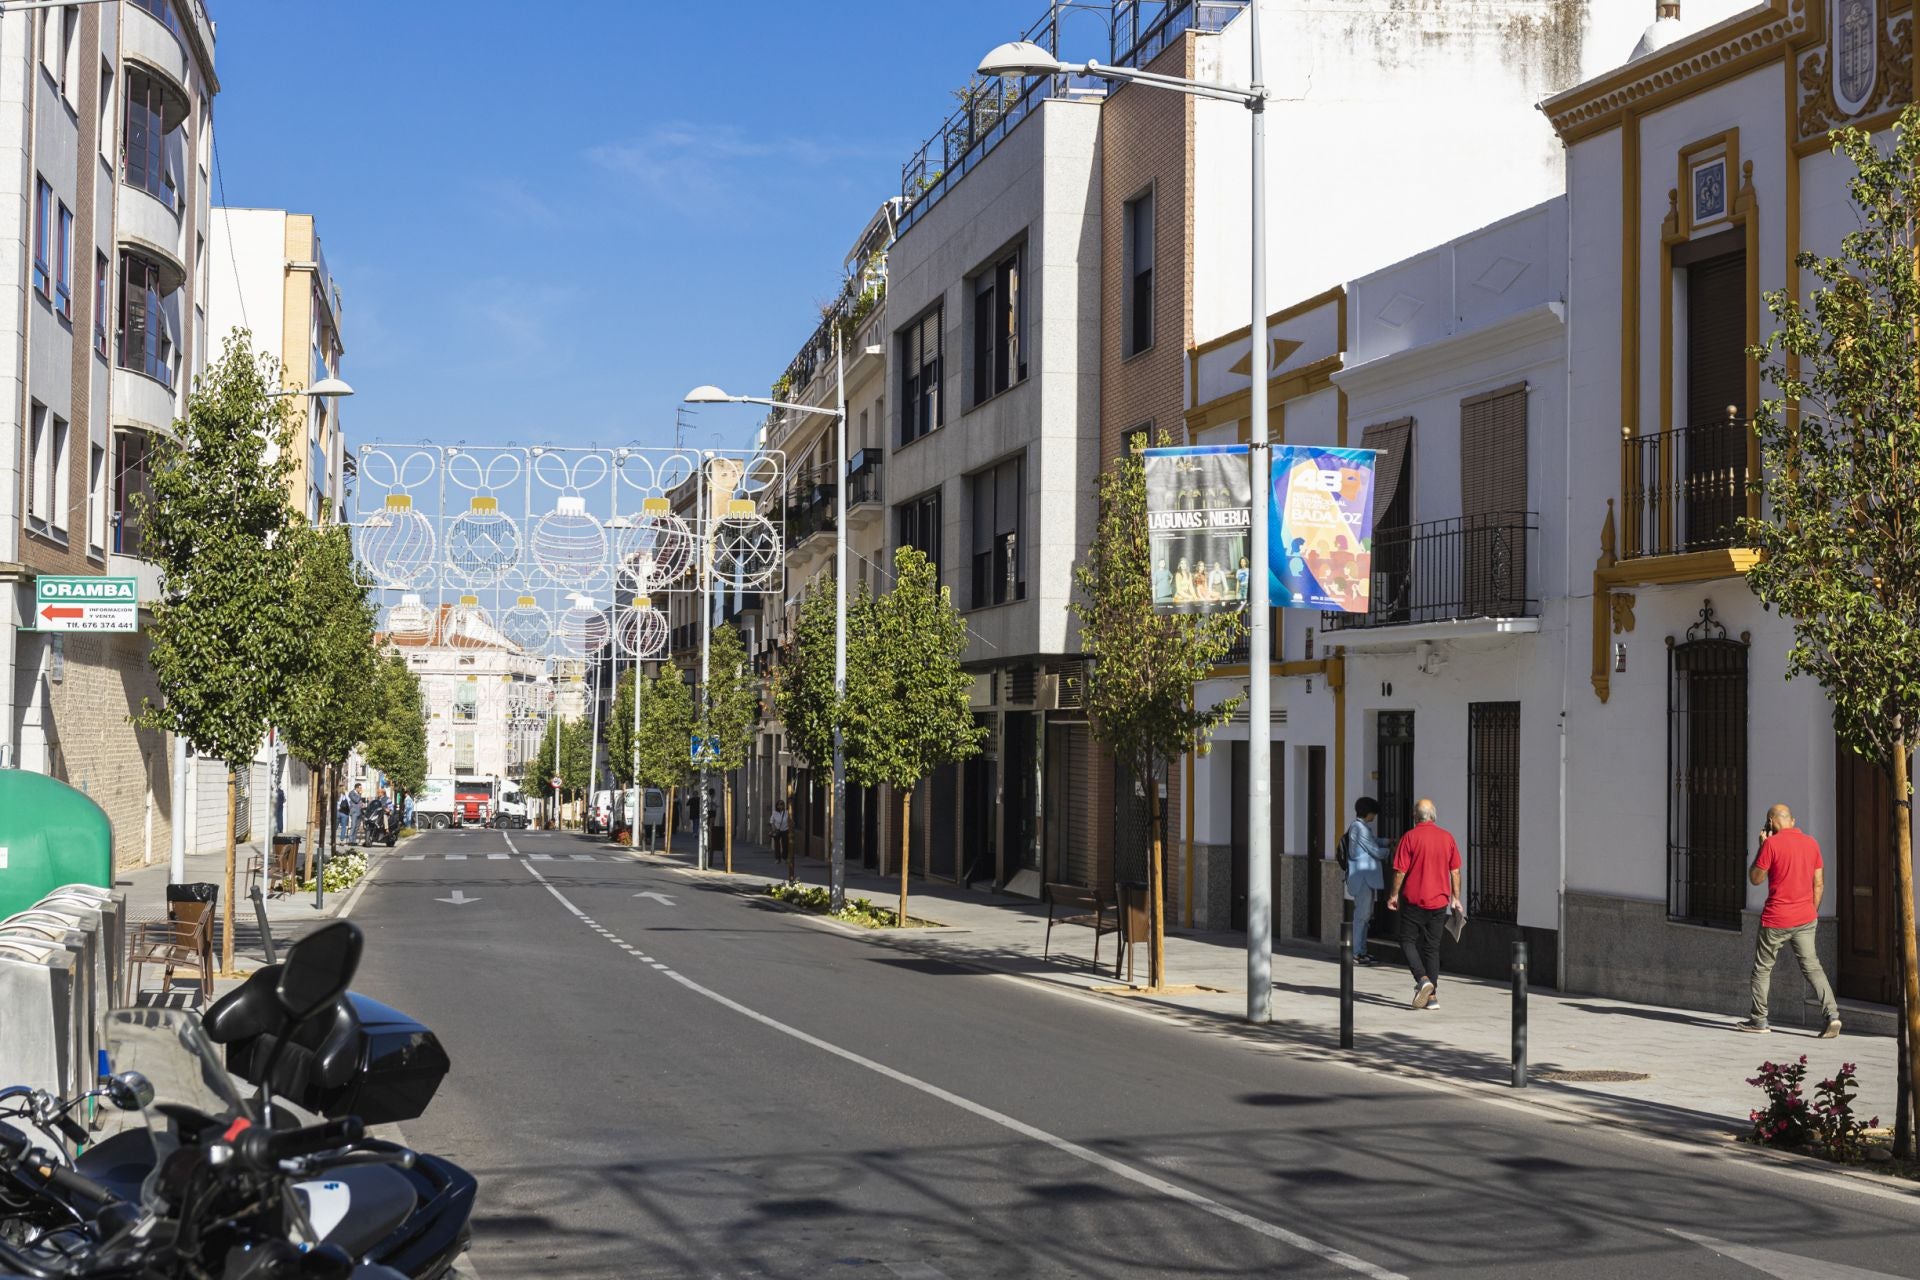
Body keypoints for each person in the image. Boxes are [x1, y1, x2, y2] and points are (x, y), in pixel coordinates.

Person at [1738, 803, 1842, 1036]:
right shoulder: (1812, 843)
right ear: (1792, 821)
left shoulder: (1771, 844)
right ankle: (1832, 1015)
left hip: (1776, 917)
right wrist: (1811, 913)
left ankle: (1759, 1020)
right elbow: (1819, 883)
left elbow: (1755, 878)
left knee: (1762, 970)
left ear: (1771, 822)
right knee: (1812, 967)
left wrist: (1762, 847)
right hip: (1805, 917)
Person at [1387, 797, 1461, 1010]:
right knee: (1432, 948)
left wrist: (1393, 895)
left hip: (1414, 900)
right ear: (1434, 816)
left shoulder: (1409, 837)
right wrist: (1456, 898)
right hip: (1439, 902)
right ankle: (1432, 998)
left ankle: (1422, 979)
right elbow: (1455, 871)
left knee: (1407, 940)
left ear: (1414, 816)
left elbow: (1400, 871)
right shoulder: (1447, 838)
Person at [1339, 797, 1386, 965]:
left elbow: (1374, 842)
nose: (1374, 816)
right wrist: (1393, 850)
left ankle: (1362, 950)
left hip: (1365, 878)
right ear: (1369, 813)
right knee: (1362, 916)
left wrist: (1389, 842)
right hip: (1362, 878)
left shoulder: (1360, 827)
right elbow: (1375, 851)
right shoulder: (1359, 828)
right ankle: (1357, 952)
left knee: (1365, 915)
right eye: (1373, 812)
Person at [769, 800, 792, 882]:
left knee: (785, 844)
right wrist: (774, 829)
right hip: (777, 830)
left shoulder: (786, 812)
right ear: (777, 806)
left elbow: (790, 820)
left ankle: (784, 857)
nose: (781, 806)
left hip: (785, 830)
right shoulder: (775, 813)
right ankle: (777, 858)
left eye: (782, 805)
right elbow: (772, 821)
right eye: (779, 805)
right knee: (777, 845)